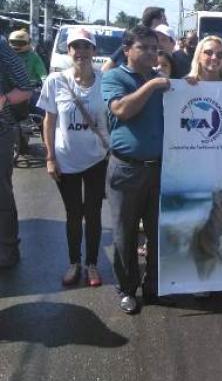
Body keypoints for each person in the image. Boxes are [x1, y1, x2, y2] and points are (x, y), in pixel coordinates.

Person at [101, 25, 170, 314]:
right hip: (126, 170)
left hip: (158, 170)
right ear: (127, 50)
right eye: (145, 47)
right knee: (124, 234)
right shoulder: (115, 76)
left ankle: (153, 285)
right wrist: (152, 85)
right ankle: (127, 289)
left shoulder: (161, 79)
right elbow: (121, 110)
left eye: (155, 48)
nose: (152, 53)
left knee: (157, 232)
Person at [37, 28, 109, 287]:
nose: (81, 52)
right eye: (76, 47)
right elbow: (49, 121)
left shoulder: (104, 81)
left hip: (97, 159)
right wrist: (50, 157)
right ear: (68, 51)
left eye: (86, 47)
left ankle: (91, 264)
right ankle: (73, 263)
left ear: (94, 51)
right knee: (73, 213)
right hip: (65, 160)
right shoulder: (55, 82)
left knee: (93, 213)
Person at [0, 36, 32, 268]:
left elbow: (25, 88)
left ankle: (8, 249)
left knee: (1, 192)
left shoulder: (1, 46)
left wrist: (3, 99)